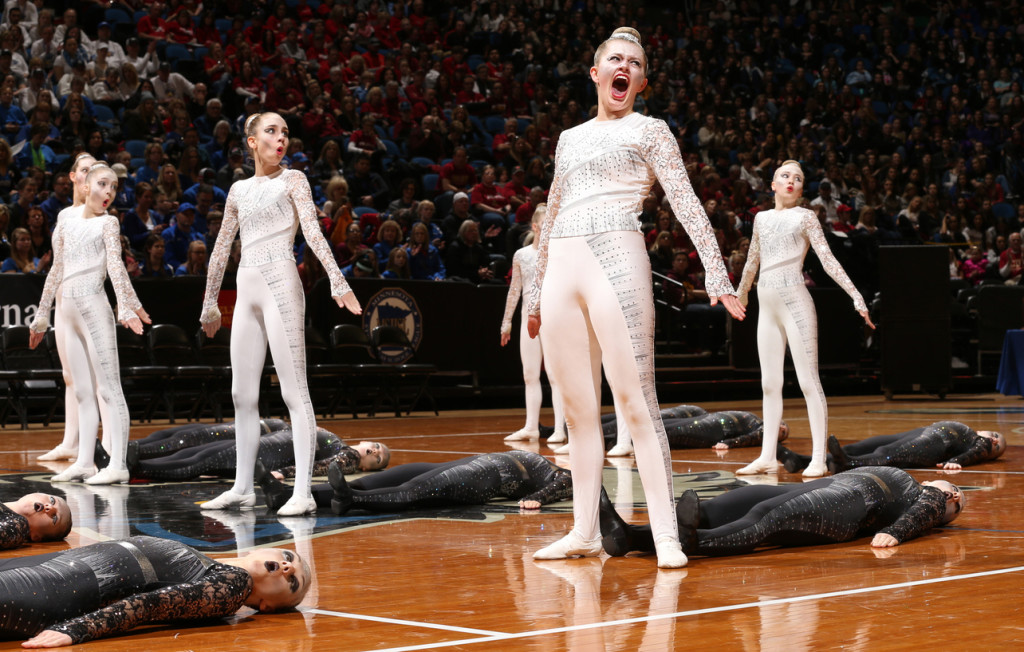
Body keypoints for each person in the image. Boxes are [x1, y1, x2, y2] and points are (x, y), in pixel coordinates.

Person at [525, 28, 744, 568]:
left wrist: (717, 273)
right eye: (614, 59)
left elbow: (688, 204)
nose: (624, 66)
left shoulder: (652, 130)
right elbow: (549, 215)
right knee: (576, 413)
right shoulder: (569, 138)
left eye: (635, 63)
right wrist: (534, 295)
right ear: (596, 73)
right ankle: (584, 532)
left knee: (637, 402)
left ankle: (665, 533)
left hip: (617, 258)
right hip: (561, 273)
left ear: (641, 82)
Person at [200, 112, 361, 516]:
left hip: (280, 283)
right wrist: (209, 301)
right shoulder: (237, 189)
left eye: (285, 132)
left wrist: (338, 281)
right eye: (271, 131)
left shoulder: (294, 180)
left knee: (293, 390)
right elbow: (221, 247)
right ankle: (242, 488)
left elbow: (313, 232)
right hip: (247, 285)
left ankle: (303, 491)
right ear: (251, 141)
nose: (281, 138)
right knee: (241, 393)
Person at [735, 161, 874, 478]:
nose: (791, 181)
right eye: (785, 176)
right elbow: (752, 260)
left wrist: (855, 295)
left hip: (795, 301)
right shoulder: (761, 218)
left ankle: (818, 458)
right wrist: (741, 293)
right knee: (769, 383)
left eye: (797, 178)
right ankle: (767, 455)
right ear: (772, 184)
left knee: (808, 381)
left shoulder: (806, 217)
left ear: (800, 189)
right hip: (765, 303)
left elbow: (828, 260)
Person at [29, 162, 151, 485]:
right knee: (82, 391)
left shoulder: (109, 224)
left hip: (95, 306)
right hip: (67, 310)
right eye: (102, 184)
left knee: (110, 388)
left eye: (113, 187)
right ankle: (84, 460)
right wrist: (42, 314)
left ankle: (118, 464)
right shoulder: (66, 223)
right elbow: (56, 270)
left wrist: (126, 306)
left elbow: (116, 266)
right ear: (85, 186)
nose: (109, 192)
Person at [0, 536, 310, 647]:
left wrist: (76, 629)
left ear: (267, 606)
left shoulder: (232, 587)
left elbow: (152, 604)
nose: (286, 568)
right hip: (59, 566)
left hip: (57, 587)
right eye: (288, 558)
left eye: (292, 581)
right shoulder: (212, 563)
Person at [599, 467, 963, 558]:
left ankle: (697, 542)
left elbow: (926, 510)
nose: (952, 490)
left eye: (955, 498)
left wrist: (897, 532)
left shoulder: (927, 497)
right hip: (829, 486)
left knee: (765, 514)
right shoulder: (908, 480)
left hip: (851, 504)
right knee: (729, 503)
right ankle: (632, 536)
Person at [35, 154, 100, 462]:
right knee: (70, 375)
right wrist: (44, 310)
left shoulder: (98, 214)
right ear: (73, 176)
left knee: (98, 377)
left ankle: (108, 443)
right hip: (63, 302)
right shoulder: (63, 216)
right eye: (84, 169)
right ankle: (70, 442)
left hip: (88, 299)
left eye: (94, 170)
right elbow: (56, 266)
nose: (89, 175)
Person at [263, 450, 572, 514]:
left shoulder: (565, 475)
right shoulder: (552, 464)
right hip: (473, 462)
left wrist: (540, 499)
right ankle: (286, 496)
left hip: (487, 477)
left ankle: (350, 500)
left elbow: (564, 484)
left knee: (412, 491)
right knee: (381, 478)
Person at [500, 205, 566, 443]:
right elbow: (514, 290)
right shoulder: (521, 255)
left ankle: (560, 428)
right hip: (527, 318)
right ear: (535, 227)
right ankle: (531, 426)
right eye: (546, 224)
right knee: (529, 374)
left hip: (551, 316)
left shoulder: (558, 254)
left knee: (555, 373)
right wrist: (505, 323)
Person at [777, 422, 1006, 473]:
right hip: (925, 433)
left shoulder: (982, 441)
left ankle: (847, 464)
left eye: (994, 440)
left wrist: (958, 461)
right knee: (864, 445)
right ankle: (803, 460)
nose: (991, 438)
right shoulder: (970, 433)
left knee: (885, 454)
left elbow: (978, 451)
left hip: (936, 442)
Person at [602, 410, 788, 451]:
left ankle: (608, 440)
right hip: (707, 421)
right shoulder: (759, 421)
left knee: (669, 433)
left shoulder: (763, 430)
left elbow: (752, 437)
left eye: (783, 434)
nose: (782, 430)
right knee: (662, 427)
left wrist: (729, 443)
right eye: (783, 428)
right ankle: (610, 437)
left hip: (711, 429)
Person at [0, 492, 72, 548]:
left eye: (55, 518)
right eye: (52, 501)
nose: (50, 507)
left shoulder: (15, 527)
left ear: (36, 537)